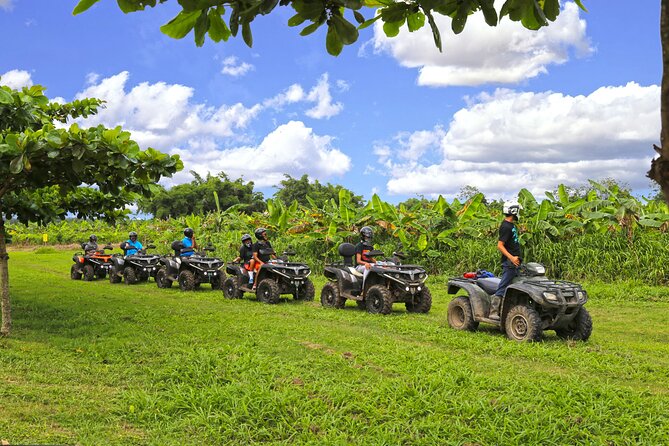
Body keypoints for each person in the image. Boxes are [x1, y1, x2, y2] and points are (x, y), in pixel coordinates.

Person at [490, 200, 523, 320]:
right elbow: (500, 245)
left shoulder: (511, 225)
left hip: (515, 262)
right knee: (503, 285)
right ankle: (493, 311)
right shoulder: (505, 226)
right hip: (509, 263)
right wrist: (511, 258)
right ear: (514, 211)